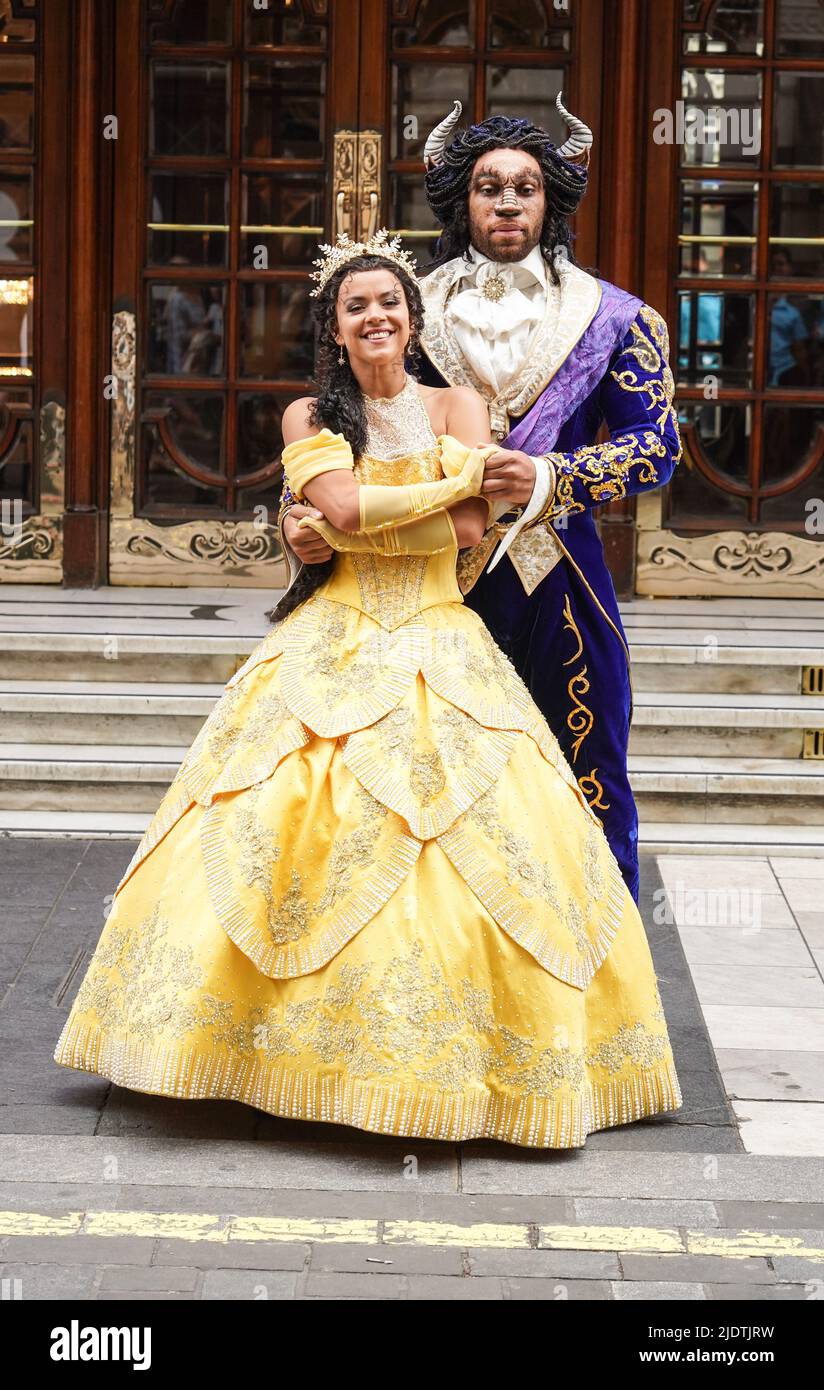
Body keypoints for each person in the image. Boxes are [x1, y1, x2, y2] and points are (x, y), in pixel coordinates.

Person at [53, 231, 682, 1150]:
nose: (377, 316)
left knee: (501, 839)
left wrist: (342, 521)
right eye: (357, 307)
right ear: (335, 329)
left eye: (390, 302)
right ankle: (252, 1059)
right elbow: (357, 511)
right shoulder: (310, 416)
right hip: (330, 645)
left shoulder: (460, 404)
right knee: (272, 825)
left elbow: (467, 529)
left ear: (412, 319)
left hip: (442, 643)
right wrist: (338, 518)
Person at [279, 97, 683, 905]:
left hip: (560, 574)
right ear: (460, 198)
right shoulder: (397, 304)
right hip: (422, 582)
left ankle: (601, 969)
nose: (505, 202)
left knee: (585, 761)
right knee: (417, 780)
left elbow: (657, 447)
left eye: (524, 187)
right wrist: (297, 523)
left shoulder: (615, 318)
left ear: (552, 199)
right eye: (488, 186)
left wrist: (548, 479)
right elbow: (334, 428)